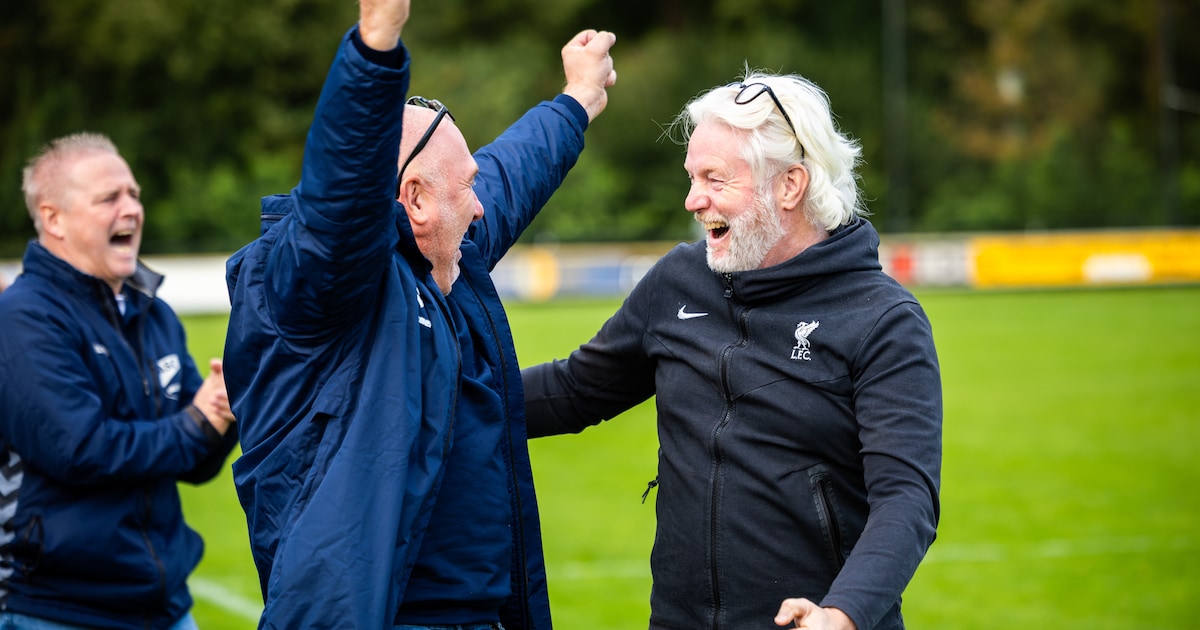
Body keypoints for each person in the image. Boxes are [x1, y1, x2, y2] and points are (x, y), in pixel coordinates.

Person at [221, 0, 616, 627]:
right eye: (467, 188)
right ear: (415, 200)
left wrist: (577, 100)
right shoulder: (318, 279)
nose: (481, 207)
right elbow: (341, 198)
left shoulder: (442, 254)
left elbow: (512, 174)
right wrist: (375, 44)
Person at [522, 72, 942, 630]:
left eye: (714, 179)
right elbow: (575, 390)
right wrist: (441, 391)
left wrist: (842, 613)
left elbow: (906, 497)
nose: (693, 200)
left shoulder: (883, 319)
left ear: (789, 186)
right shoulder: (678, 280)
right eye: (692, 177)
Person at [0, 132, 239, 629]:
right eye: (109, 198)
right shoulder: (24, 317)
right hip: (57, 609)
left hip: (165, 606)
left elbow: (193, 459)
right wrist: (198, 422)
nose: (131, 209)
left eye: (134, 194)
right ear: (53, 219)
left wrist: (224, 411)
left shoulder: (155, 313)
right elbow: (82, 449)